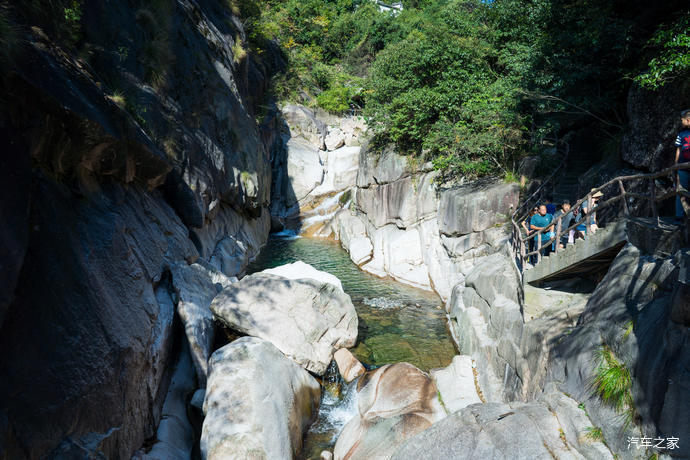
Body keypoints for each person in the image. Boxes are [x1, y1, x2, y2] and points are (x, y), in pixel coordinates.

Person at [675, 109, 690, 222]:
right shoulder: (681, 134)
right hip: (682, 166)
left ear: (688, 120)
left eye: (682, 120)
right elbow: (678, 149)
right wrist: (676, 165)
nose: (681, 122)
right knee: (681, 190)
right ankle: (679, 215)